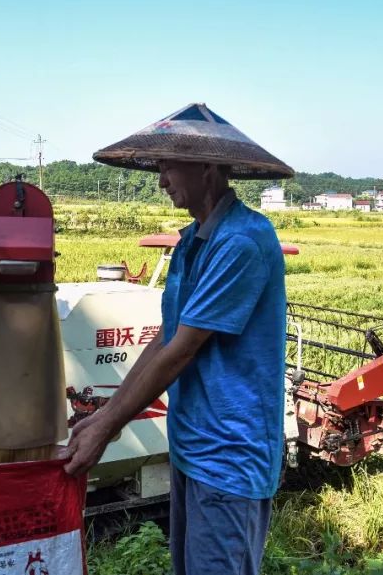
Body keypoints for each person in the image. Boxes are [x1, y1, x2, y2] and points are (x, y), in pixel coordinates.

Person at [63, 103, 294, 574]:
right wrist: (105, 413)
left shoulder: (241, 241)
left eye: (168, 165)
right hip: (190, 446)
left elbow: (182, 352)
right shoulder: (192, 241)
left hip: (229, 456)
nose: (161, 179)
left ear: (207, 167)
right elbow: (164, 339)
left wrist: (108, 428)